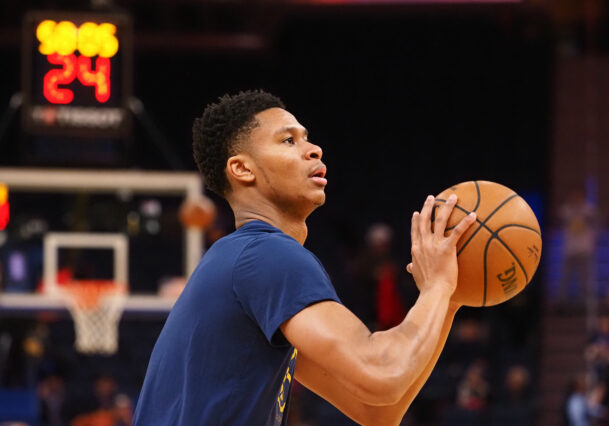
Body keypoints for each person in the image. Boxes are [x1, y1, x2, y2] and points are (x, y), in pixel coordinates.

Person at [132, 90, 476, 425]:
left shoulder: (242, 261)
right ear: (242, 169)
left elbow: (378, 411)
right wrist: (437, 287)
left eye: (307, 138)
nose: (314, 150)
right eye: (288, 141)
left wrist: (449, 301)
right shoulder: (266, 254)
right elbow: (381, 372)